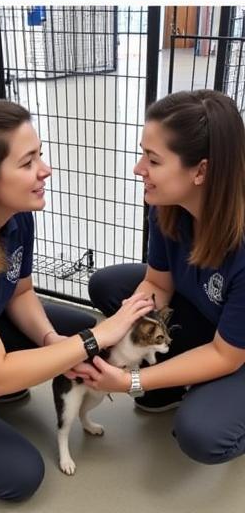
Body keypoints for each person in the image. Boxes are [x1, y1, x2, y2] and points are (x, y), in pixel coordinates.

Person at [0, 97, 154, 501]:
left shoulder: (15, 213)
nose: (45, 170)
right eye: (27, 163)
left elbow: (19, 292)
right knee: (20, 474)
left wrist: (50, 341)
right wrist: (96, 337)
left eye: (39, 154)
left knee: (75, 333)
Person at [78, 90, 245, 464]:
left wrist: (130, 381)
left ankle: (209, 392)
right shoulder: (168, 207)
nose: (139, 168)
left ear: (201, 170)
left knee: (202, 435)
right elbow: (158, 284)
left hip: (237, 349)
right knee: (109, 286)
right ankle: (180, 382)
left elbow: (226, 354)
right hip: (210, 316)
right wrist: (114, 333)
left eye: (152, 159)